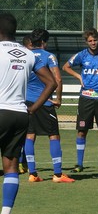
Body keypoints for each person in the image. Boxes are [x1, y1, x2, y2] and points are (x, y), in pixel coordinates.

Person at [0, 13, 57, 214]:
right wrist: (33, 108)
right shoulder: (28, 54)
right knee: (11, 166)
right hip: (19, 114)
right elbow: (51, 83)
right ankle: (6, 211)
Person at [24, 29, 75, 183]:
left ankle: (32, 174)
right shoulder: (48, 56)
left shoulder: (26, 56)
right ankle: (58, 175)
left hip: (28, 102)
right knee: (53, 135)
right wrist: (58, 99)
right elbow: (57, 80)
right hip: (45, 102)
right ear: (44, 42)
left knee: (30, 135)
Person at [62, 28, 98, 173]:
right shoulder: (82, 55)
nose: (93, 43)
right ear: (86, 42)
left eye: (95, 40)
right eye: (90, 41)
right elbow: (66, 67)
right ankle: (79, 164)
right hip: (86, 98)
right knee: (82, 131)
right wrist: (79, 77)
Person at [18, 35, 33, 175]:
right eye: (31, 46)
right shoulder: (27, 58)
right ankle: (19, 163)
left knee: (24, 136)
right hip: (23, 102)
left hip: (24, 103)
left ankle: (23, 163)